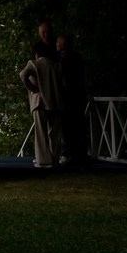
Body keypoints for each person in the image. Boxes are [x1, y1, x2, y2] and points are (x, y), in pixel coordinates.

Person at [22, 41, 65, 168]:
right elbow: (63, 84)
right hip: (55, 101)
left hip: (39, 102)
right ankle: (54, 158)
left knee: (41, 132)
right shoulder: (56, 66)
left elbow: (23, 75)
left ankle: (43, 160)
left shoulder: (34, 64)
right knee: (54, 133)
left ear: (36, 53)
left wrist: (32, 87)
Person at [55, 32, 87, 165]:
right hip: (79, 96)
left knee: (67, 127)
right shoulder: (77, 57)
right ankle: (80, 154)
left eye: (58, 42)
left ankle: (68, 153)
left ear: (62, 45)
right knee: (78, 125)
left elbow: (64, 79)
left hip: (68, 98)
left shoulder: (63, 59)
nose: (56, 44)